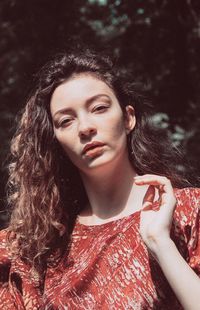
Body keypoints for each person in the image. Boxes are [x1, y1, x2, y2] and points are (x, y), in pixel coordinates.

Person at [0, 48, 199, 310]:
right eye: (66, 121)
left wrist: (160, 243)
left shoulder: (188, 211)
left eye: (99, 108)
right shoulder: (35, 248)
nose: (85, 127)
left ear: (128, 118)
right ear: (56, 141)